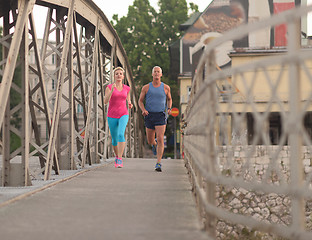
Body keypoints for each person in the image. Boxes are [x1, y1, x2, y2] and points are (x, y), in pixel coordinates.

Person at [138, 66, 172, 172]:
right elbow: (140, 101)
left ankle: (158, 163)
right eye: (155, 72)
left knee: (161, 138)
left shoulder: (166, 88)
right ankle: (154, 143)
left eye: (158, 72)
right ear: (152, 74)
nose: (157, 74)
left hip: (161, 115)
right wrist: (143, 110)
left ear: (161, 74)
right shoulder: (146, 88)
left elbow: (169, 99)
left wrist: (169, 108)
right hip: (149, 115)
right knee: (150, 140)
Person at [104, 67, 133, 168]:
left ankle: (120, 159)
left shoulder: (127, 88)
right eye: (117, 74)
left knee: (121, 134)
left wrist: (130, 103)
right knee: (114, 139)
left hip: (123, 114)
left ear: (123, 76)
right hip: (111, 115)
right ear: (114, 76)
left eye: (120, 73)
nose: (119, 75)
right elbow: (105, 101)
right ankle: (117, 156)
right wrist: (112, 91)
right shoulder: (109, 87)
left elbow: (128, 99)